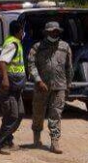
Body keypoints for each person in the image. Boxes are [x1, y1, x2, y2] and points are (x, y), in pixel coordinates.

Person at [28, 21, 73, 154]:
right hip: (42, 86)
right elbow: (31, 64)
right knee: (38, 113)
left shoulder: (65, 47)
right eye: (52, 31)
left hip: (59, 86)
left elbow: (69, 67)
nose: (55, 33)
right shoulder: (37, 47)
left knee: (56, 114)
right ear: (46, 32)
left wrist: (68, 85)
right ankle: (36, 137)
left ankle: (55, 142)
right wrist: (38, 80)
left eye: (57, 31)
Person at [0, 20, 26, 153]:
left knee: (20, 113)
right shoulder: (12, 44)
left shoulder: (17, 43)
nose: (23, 33)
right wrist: (5, 80)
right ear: (19, 31)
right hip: (8, 86)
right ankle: (2, 144)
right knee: (11, 114)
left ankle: (8, 140)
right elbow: (2, 61)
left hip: (16, 87)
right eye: (22, 31)